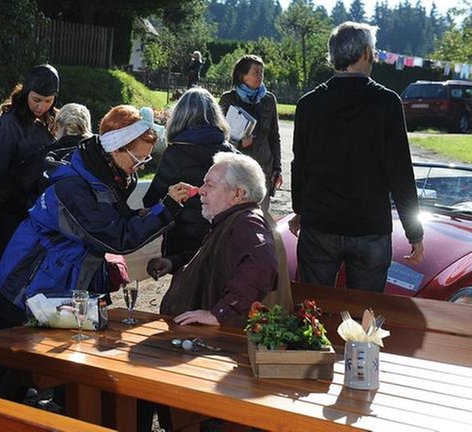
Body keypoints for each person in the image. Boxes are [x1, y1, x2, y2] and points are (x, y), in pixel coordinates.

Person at [0, 105, 194, 328]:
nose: (139, 168)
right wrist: (166, 210)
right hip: (29, 287)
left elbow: (118, 221)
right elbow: (114, 236)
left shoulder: (105, 174)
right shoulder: (73, 186)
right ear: (116, 148)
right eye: (137, 160)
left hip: (58, 284)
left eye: (145, 161)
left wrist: (157, 210)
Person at [289, 21, 424, 292]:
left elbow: (299, 165)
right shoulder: (387, 103)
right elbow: (400, 172)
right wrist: (415, 232)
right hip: (369, 227)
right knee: (366, 319)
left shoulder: (308, 104)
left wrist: (299, 210)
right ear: (365, 52)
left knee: (313, 312)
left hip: (320, 225)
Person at [154, 152, 278, 327]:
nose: (201, 190)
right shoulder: (232, 220)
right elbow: (216, 261)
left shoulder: (247, 222)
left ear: (238, 194)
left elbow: (262, 265)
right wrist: (173, 262)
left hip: (214, 342)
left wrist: (218, 313)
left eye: (209, 185)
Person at [143, 88, 237, 277]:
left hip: (183, 247)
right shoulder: (232, 154)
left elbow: (152, 199)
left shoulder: (176, 154)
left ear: (179, 117)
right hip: (222, 242)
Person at [0, 64, 59, 257]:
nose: (41, 106)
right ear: (26, 93)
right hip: (13, 219)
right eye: (36, 100)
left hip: (43, 219)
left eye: (48, 101)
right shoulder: (8, 125)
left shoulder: (49, 123)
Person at [219, 55, 282, 212]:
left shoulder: (269, 99)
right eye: (256, 72)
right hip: (236, 168)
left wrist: (278, 168)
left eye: (262, 73)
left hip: (264, 169)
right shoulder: (228, 99)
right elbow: (219, 136)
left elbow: (274, 136)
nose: (260, 77)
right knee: (235, 214)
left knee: (259, 215)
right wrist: (239, 144)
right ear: (242, 75)